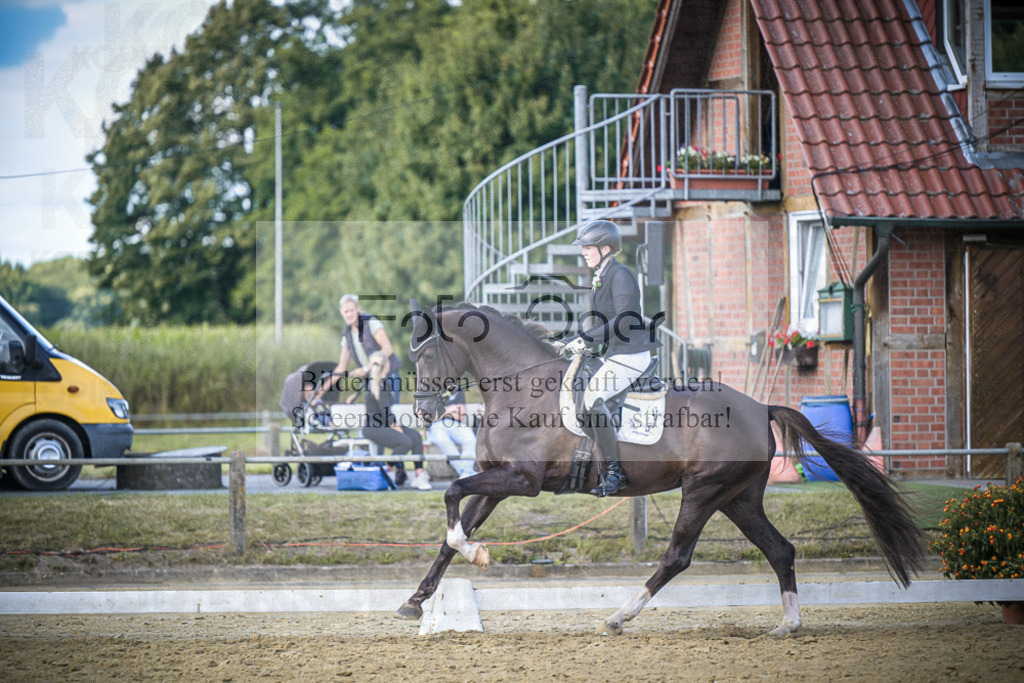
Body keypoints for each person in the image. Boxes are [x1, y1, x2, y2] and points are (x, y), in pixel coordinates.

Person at [558, 220, 660, 497]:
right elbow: (604, 323)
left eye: (588, 247)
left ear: (605, 248)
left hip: (632, 355)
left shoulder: (620, 274)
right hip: (617, 353)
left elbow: (626, 319)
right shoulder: (603, 275)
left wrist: (588, 340)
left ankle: (616, 473)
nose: (584, 252)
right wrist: (573, 341)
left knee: (592, 399)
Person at [310, 294, 402, 405]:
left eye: (352, 310)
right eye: (346, 311)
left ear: (358, 309)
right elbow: (341, 368)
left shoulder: (370, 322)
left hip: (387, 375)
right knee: (373, 418)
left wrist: (366, 369)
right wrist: (317, 395)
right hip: (372, 380)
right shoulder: (347, 334)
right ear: (341, 312)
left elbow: (388, 349)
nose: (349, 314)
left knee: (389, 416)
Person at [361, 352, 431, 490]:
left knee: (416, 436)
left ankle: (419, 475)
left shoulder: (382, 383)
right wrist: (394, 425)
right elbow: (385, 410)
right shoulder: (376, 385)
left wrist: (394, 425)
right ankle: (384, 472)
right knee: (405, 441)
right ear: (386, 366)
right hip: (373, 428)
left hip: (385, 425)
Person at [425, 389, 478, 479]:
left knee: (470, 439)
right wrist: (453, 409)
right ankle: (466, 472)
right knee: (443, 441)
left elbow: (461, 415)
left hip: (455, 424)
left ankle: (465, 472)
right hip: (436, 425)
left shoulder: (457, 390)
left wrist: (442, 411)